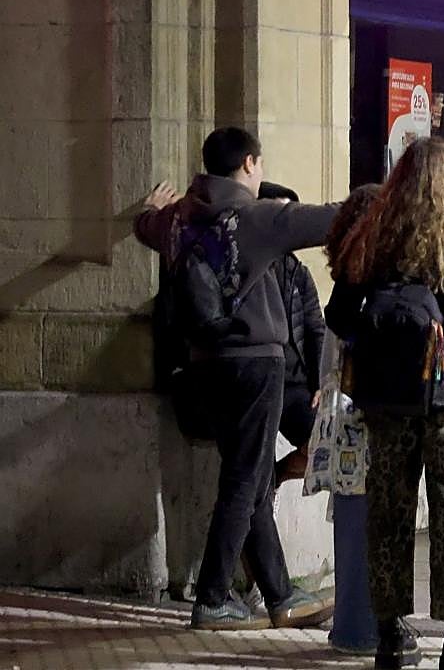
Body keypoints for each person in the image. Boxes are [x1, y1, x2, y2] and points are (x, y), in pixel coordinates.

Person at [134, 127, 339, 630]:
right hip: (254, 363)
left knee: (243, 477)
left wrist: (146, 210)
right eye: (260, 165)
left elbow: (145, 228)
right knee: (245, 482)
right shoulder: (256, 215)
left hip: (207, 364)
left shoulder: (178, 219)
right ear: (248, 164)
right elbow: (334, 218)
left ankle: (279, 594)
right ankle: (213, 596)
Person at [325, 138, 444, 670]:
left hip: (387, 395)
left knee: (389, 507)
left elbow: (338, 315)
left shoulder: (373, 238)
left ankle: (391, 635)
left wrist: (382, 339)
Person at [302, 183, 381, 655]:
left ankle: (354, 625)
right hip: (368, 416)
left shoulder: (345, 284)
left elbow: (327, 358)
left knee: (352, 524)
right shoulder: (373, 285)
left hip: (342, 416)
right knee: (369, 525)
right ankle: (361, 628)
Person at [257, 181, 325, 485]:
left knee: (326, 442)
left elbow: (315, 329)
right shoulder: (250, 264)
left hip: (295, 384)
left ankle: (276, 477)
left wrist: (320, 382)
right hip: (258, 381)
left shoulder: (298, 273)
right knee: (252, 463)